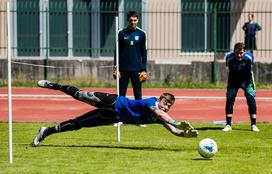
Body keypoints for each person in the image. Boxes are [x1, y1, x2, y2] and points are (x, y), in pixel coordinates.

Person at [31, 80, 198, 147]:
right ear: (160, 98)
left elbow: (173, 130)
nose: (166, 107)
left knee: (77, 124)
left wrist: (186, 135)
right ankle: (55, 86)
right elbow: (163, 117)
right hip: (112, 102)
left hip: (111, 116)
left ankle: (45, 131)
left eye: (169, 106)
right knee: (79, 94)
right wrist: (175, 121)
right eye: (165, 103)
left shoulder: (161, 116)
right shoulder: (152, 103)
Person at [113, 11, 148, 127]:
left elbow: (144, 53)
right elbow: (116, 52)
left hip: (137, 69)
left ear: (137, 20)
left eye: (135, 20)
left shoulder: (142, 33)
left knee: (138, 95)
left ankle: (139, 120)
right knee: (121, 96)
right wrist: (115, 67)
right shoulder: (121, 33)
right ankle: (119, 119)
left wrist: (144, 70)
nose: (133, 22)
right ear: (127, 20)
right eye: (131, 20)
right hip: (123, 69)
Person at [222, 42, 260, 132]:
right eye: (237, 53)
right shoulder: (229, 57)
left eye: (241, 53)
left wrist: (248, 84)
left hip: (246, 80)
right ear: (233, 51)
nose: (239, 55)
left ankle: (253, 124)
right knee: (230, 100)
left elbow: (250, 70)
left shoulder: (249, 58)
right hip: (233, 80)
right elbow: (229, 67)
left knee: (251, 100)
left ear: (245, 52)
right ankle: (228, 124)